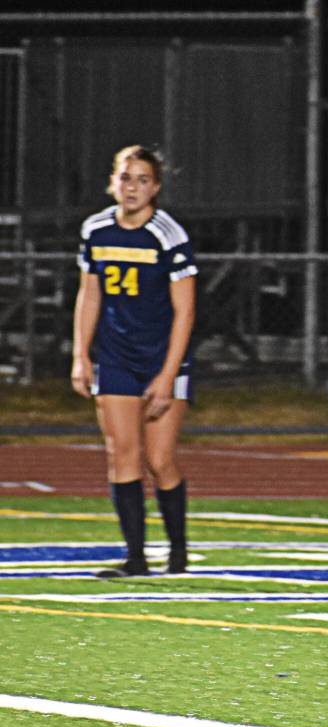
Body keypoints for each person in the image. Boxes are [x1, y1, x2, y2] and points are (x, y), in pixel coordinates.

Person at [71, 145, 197, 578]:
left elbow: (186, 311)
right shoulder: (96, 230)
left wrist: (167, 376)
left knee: (159, 459)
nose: (132, 188)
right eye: (126, 178)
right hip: (117, 356)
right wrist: (80, 356)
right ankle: (135, 559)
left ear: (156, 188)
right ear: (113, 182)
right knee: (122, 453)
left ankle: (177, 553)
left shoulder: (167, 234)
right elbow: (90, 294)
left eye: (143, 180)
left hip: (162, 357)